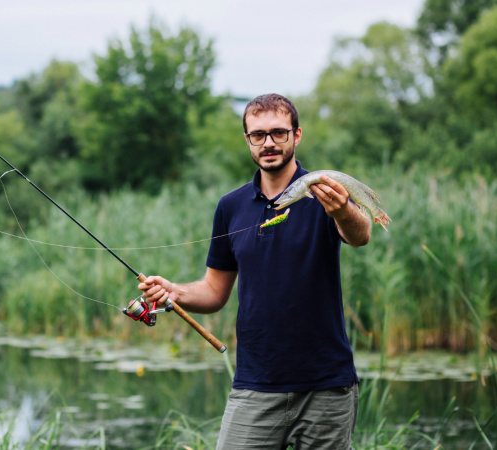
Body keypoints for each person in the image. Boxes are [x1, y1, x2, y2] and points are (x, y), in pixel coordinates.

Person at [139, 93, 372, 449]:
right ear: (247, 140)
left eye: (278, 133)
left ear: (297, 135)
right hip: (256, 384)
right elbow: (214, 292)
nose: (268, 143)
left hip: (327, 385)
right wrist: (174, 291)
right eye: (258, 135)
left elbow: (360, 235)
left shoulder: (324, 191)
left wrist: (342, 210)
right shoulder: (230, 207)